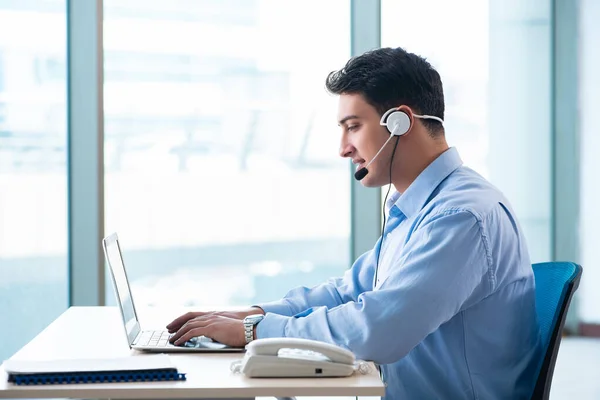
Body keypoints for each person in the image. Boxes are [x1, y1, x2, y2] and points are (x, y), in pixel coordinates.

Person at [166, 47, 543, 399]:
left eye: (353, 126)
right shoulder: (417, 206)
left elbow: (379, 329)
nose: (343, 147)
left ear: (400, 123)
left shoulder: (460, 216)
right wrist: (257, 314)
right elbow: (347, 292)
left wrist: (253, 334)